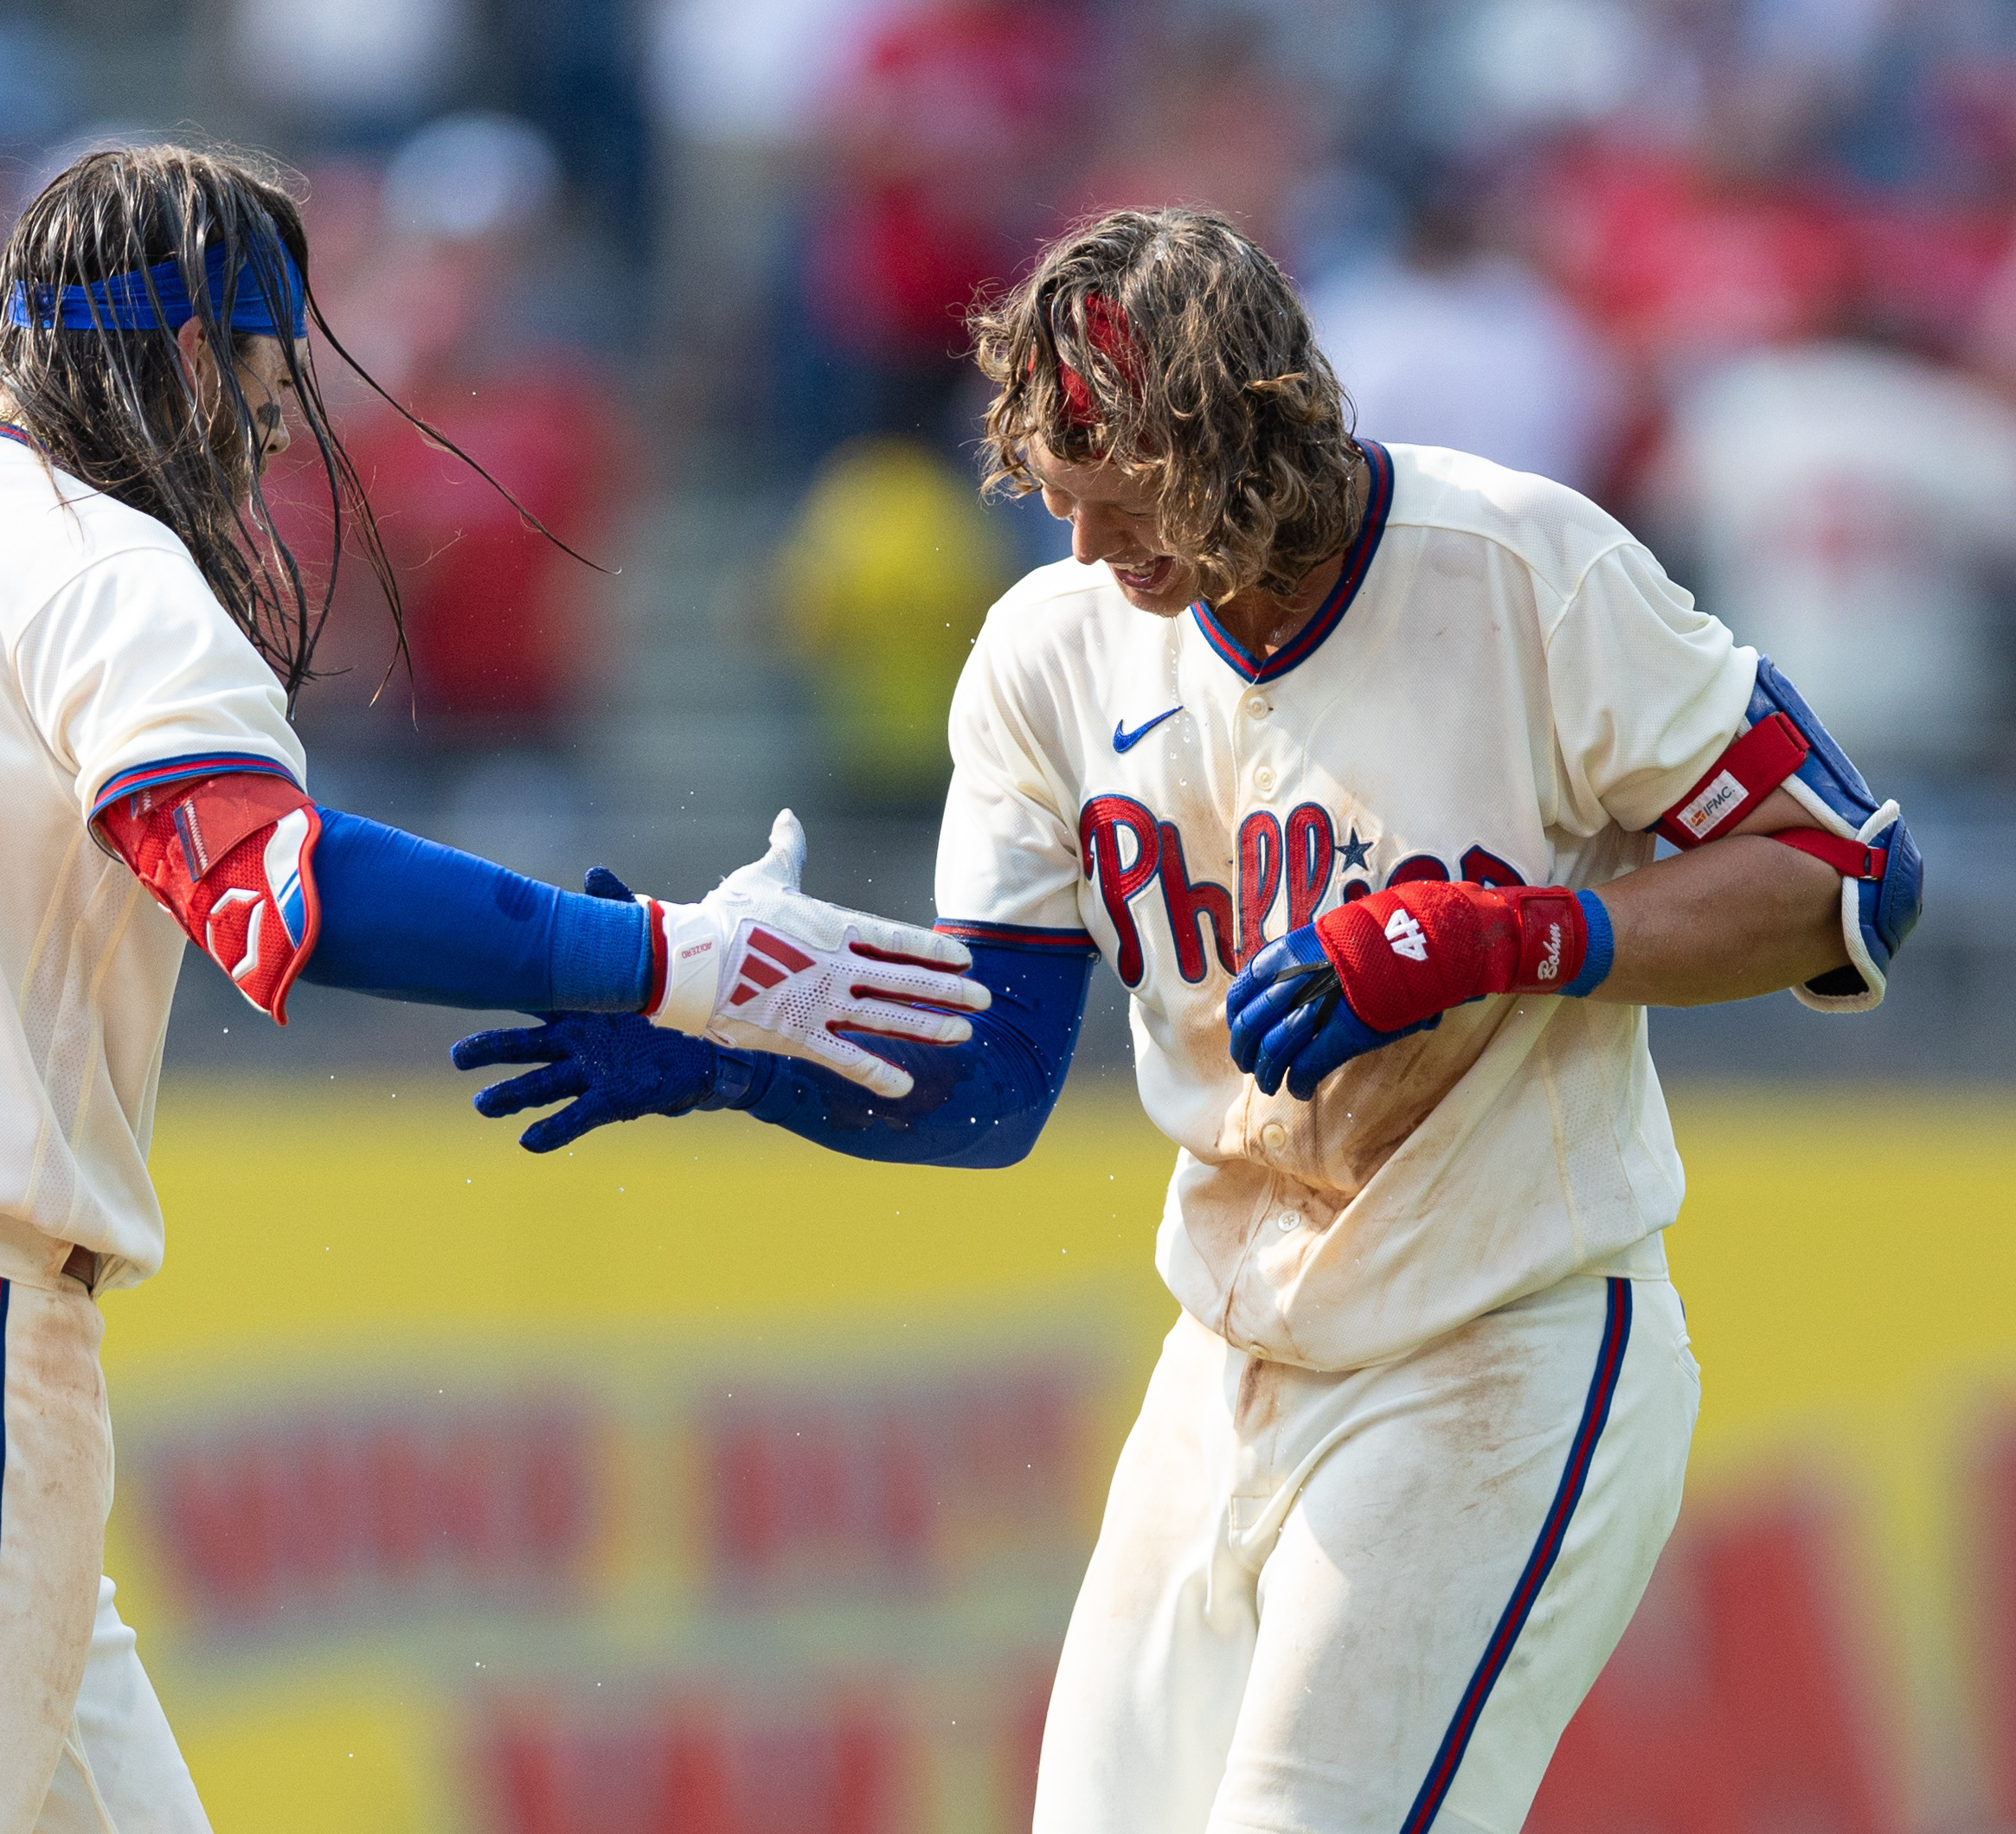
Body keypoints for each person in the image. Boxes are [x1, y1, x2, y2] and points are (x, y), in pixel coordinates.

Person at [0, 144, 983, 1834]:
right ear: (185, 357)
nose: (268, 431)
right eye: (261, 381)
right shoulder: (90, 562)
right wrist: (668, 957)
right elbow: (280, 886)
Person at [454, 207, 1921, 1832]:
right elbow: (993, 1084)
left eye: (1111, 496)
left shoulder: (1520, 565)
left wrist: (1520, 934)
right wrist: (748, 1052)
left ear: (1232, 438)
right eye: (1055, 501)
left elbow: (1851, 873)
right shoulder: (1048, 650)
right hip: (1222, 1357)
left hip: (1502, 1336)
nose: (1079, 547)